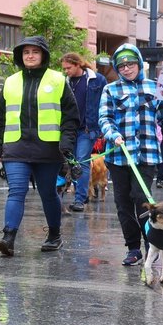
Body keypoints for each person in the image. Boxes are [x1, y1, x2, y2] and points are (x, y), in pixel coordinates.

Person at [0, 36, 80, 257]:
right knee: (16, 191)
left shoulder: (58, 80)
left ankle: (54, 235)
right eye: (26, 52)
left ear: (43, 55)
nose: (30, 56)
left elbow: (70, 117)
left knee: (48, 193)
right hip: (16, 147)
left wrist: (66, 144)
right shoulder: (11, 81)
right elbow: (0, 115)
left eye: (35, 52)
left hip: (48, 148)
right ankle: (8, 237)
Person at [98, 44, 163, 267]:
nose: (126, 69)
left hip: (147, 156)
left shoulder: (155, 87)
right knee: (122, 203)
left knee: (141, 199)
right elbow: (104, 118)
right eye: (122, 66)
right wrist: (112, 133)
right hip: (118, 156)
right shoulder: (110, 90)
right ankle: (133, 248)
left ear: (138, 64)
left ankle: (151, 247)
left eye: (130, 64)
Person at [60, 52, 106, 211]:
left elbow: (103, 103)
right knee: (72, 163)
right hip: (69, 129)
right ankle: (83, 193)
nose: (66, 71)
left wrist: (100, 126)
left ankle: (80, 199)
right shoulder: (65, 82)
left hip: (87, 129)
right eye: (64, 69)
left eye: (68, 68)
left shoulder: (96, 80)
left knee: (82, 161)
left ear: (78, 64)